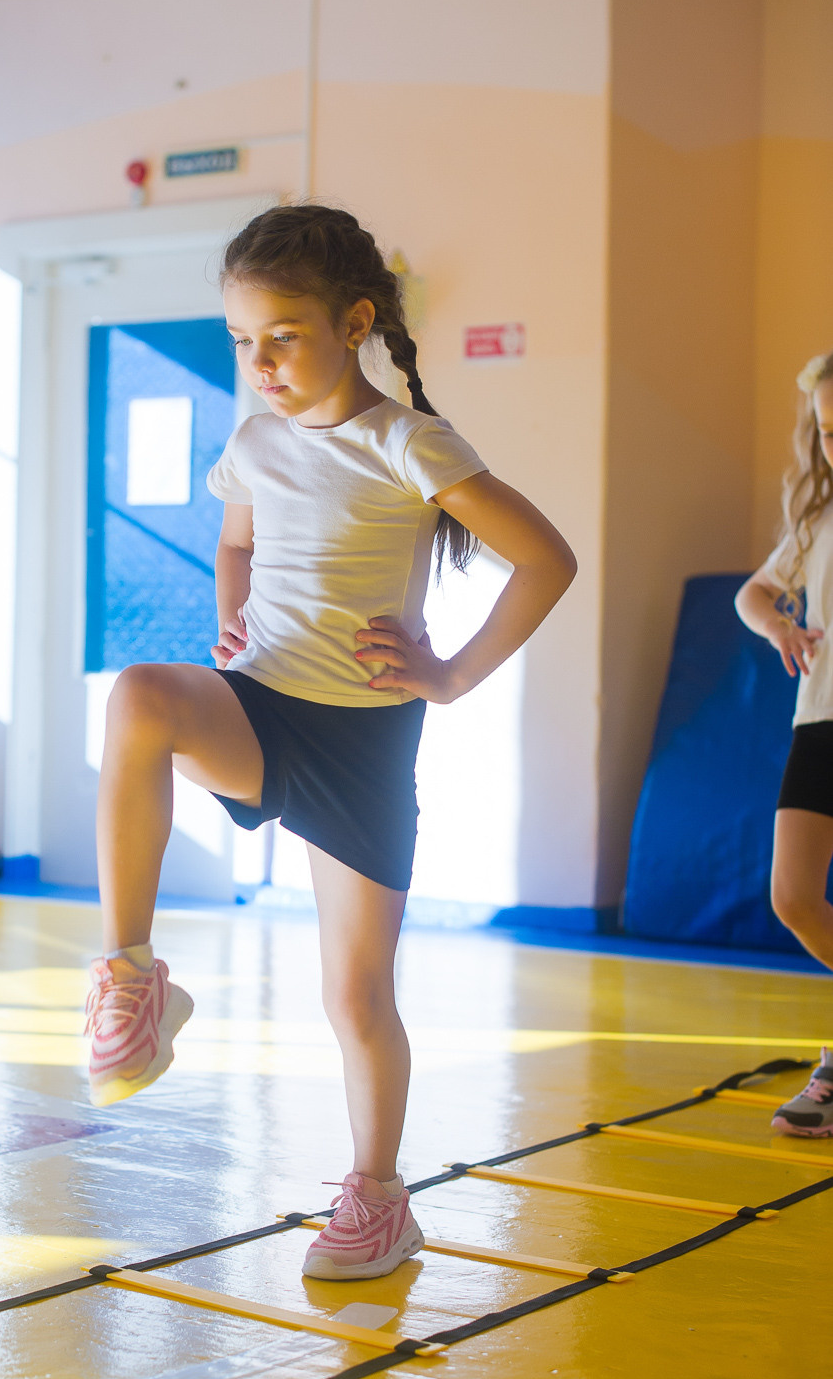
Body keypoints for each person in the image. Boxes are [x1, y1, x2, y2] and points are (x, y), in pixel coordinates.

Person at [84, 202, 576, 1278]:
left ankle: (379, 1197)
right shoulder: (256, 438)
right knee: (141, 696)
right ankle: (132, 976)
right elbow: (236, 541)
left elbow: (545, 559)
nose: (258, 364)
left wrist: (448, 675)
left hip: (362, 743)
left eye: (283, 337)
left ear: (354, 322)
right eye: (240, 342)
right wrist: (234, 607)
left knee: (354, 996)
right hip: (262, 703)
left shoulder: (407, 440)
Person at [736, 349, 833, 1136]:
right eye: (829, 431)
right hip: (820, 722)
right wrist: (777, 624)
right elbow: (754, 592)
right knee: (793, 898)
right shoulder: (816, 523)